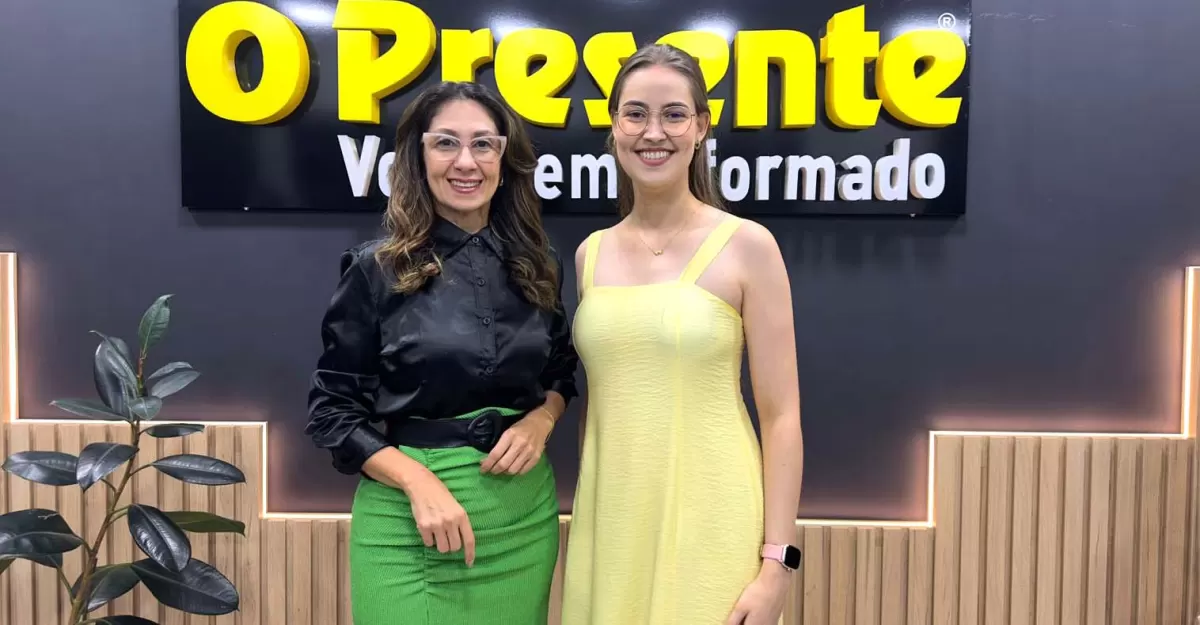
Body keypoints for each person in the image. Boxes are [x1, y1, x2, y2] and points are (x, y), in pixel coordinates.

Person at [304, 80, 579, 625]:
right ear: (418, 156)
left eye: (483, 144)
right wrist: (417, 480)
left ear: (504, 158)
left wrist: (541, 421)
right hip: (409, 519)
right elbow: (332, 412)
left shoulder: (539, 263)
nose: (466, 162)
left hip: (521, 518)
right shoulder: (375, 269)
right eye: (446, 143)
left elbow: (561, 372)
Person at [561, 43, 805, 625]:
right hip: (611, 525)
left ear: (701, 127)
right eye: (635, 113)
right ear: (614, 127)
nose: (654, 132)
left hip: (713, 522)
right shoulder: (590, 254)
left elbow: (782, 416)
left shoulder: (748, 245)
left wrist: (777, 564)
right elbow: (600, 403)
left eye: (673, 114)